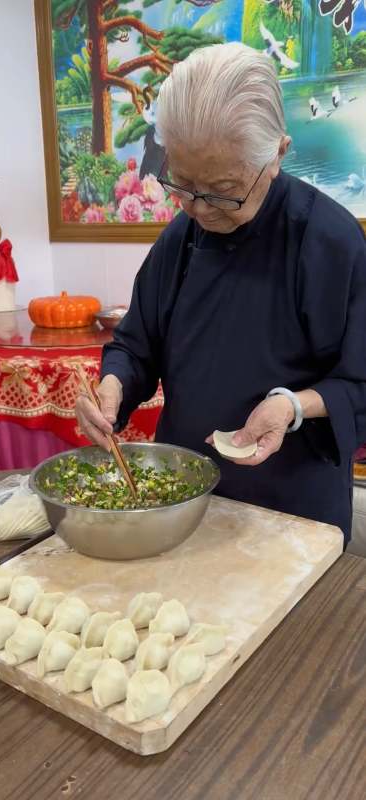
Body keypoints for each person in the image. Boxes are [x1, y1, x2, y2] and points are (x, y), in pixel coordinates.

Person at [75, 42, 366, 546]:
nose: (199, 209)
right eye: (182, 184)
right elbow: (136, 345)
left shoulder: (330, 241)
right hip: (183, 499)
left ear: (277, 154)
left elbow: (359, 380)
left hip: (294, 513)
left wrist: (293, 406)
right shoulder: (182, 237)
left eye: (223, 190)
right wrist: (114, 386)